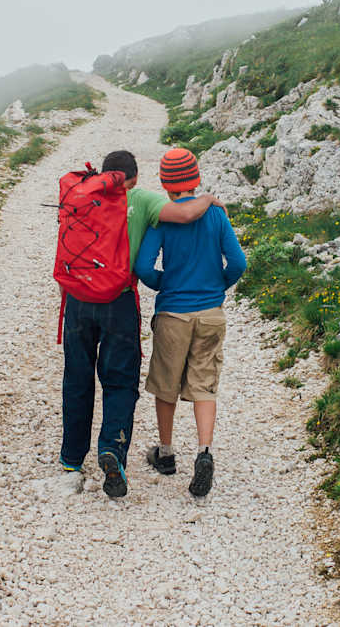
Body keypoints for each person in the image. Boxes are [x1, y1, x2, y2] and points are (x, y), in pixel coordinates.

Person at [59, 149, 225, 498]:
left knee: (77, 376)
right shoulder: (142, 198)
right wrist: (209, 198)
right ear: (132, 178)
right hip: (118, 299)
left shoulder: (81, 194)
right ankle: (113, 452)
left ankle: (72, 458)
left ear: (105, 174)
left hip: (77, 298)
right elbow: (185, 212)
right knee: (119, 381)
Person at [135, 148, 246, 497]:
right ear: (196, 179)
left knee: (166, 383)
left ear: (166, 186)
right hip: (211, 312)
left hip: (173, 313)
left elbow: (142, 268)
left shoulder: (163, 218)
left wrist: (165, 285)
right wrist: (217, 287)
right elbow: (239, 262)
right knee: (204, 383)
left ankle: (166, 453)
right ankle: (204, 453)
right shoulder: (216, 215)